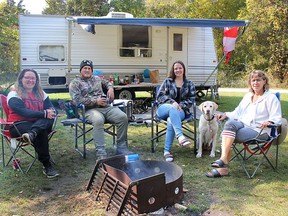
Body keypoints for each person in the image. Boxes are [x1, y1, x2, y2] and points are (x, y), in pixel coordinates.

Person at [206, 70, 282, 178]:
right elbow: (238, 112)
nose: (255, 83)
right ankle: (223, 159)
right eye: (253, 80)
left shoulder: (271, 98)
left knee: (228, 135)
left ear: (264, 81)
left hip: (260, 130)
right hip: (244, 124)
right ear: (250, 83)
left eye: (258, 80)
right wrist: (225, 114)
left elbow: (277, 117)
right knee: (230, 124)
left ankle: (223, 168)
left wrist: (270, 122)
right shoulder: (248, 96)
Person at [69, 60, 131, 159]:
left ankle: (121, 148)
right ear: (81, 70)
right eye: (85, 68)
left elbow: (108, 83)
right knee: (98, 120)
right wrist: (95, 101)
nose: (87, 70)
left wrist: (110, 88)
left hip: (106, 108)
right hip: (88, 110)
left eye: (89, 68)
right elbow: (77, 101)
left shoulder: (97, 79)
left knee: (123, 117)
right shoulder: (75, 83)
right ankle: (101, 153)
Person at [7, 69, 59, 178]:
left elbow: (51, 108)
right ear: (21, 79)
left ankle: (33, 133)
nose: (30, 80)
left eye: (33, 78)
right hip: (19, 125)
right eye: (27, 77)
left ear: (36, 80)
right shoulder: (13, 94)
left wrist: (50, 112)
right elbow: (23, 112)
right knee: (42, 130)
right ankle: (47, 164)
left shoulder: (41, 93)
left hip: (36, 124)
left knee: (49, 116)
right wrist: (44, 114)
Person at [156, 60, 196, 162]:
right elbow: (160, 96)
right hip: (164, 109)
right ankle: (180, 136)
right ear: (173, 71)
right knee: (172, 109)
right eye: (175, 68)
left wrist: (180, 105)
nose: (178, 70)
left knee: (171, 120)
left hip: (180, 111)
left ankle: (167, 152)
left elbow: (191, 100)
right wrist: (172, 102)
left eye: (180, 68)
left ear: (183, 69)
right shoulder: (167, 81)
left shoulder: (189, 84)